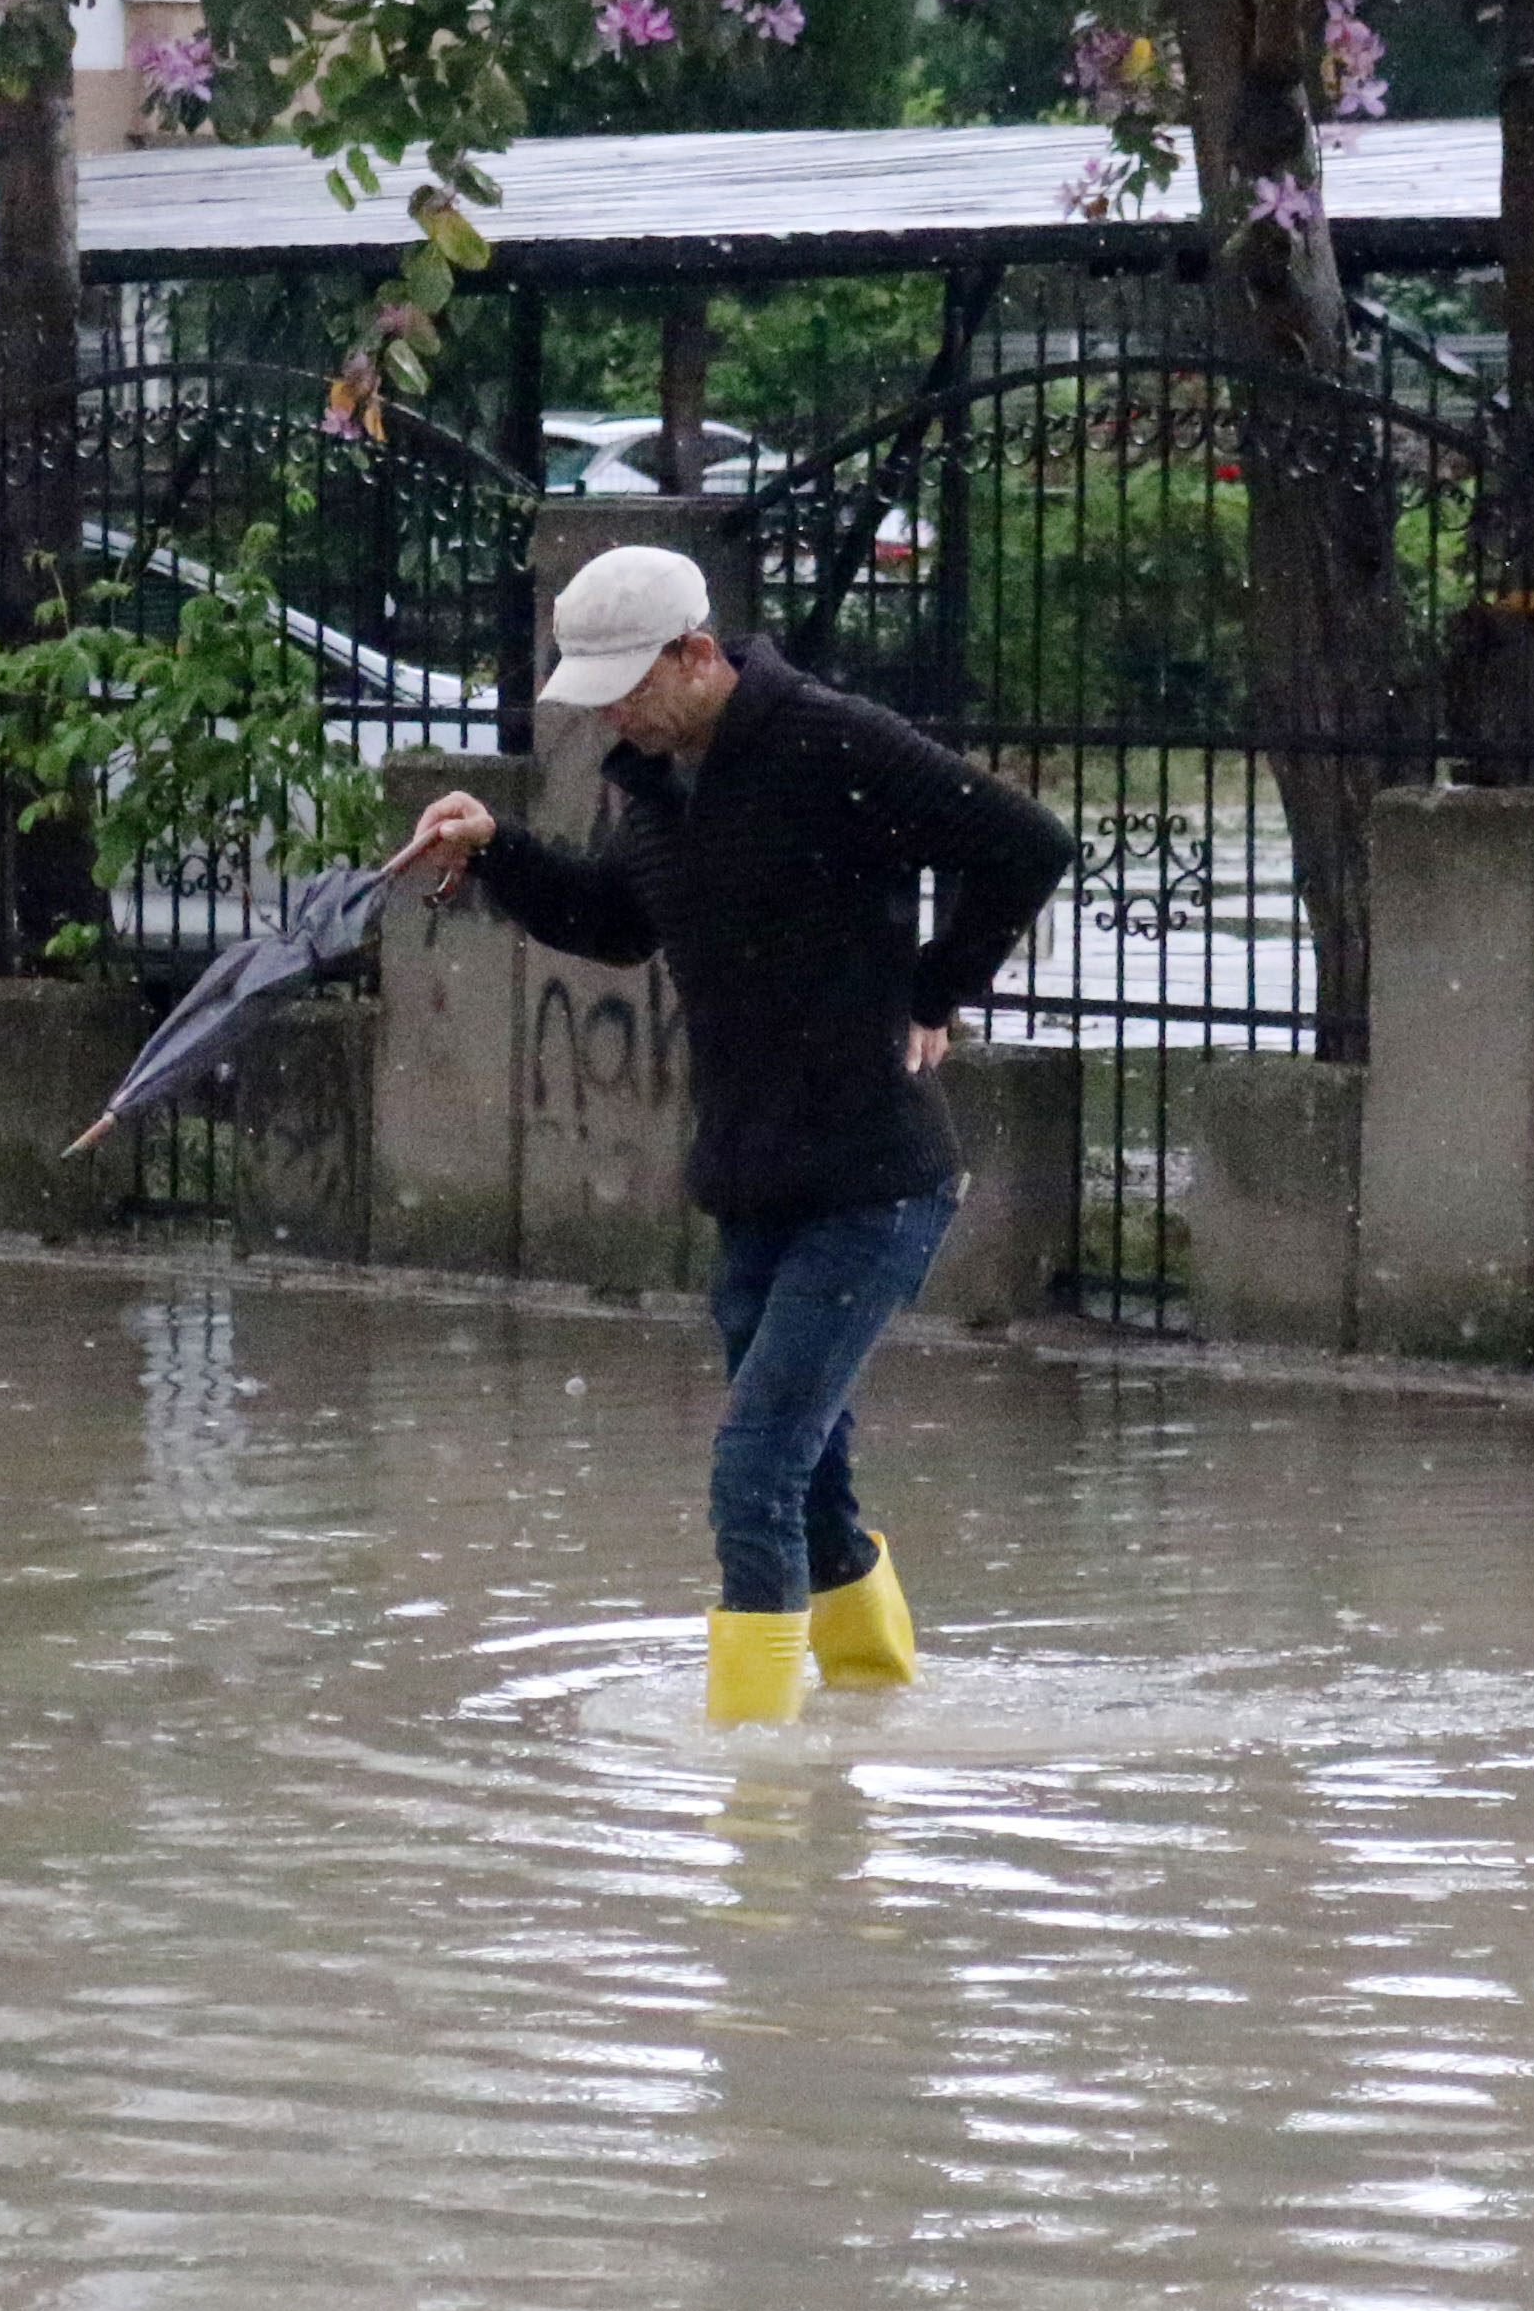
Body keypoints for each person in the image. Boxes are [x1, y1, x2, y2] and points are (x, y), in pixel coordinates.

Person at [396, 543, 1076, 1730]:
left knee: (752, 1465)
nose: (614, 714)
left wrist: (932, 990)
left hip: (875, 1181)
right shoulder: (654, 781)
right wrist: (495, 850)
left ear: (697, 654)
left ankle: (753, 1776)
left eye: (627, 688)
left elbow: (1025, 843)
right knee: (807, 1480)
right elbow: (618, 924)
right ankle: (870, 1710)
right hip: (756, 1179)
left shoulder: (829, 739)